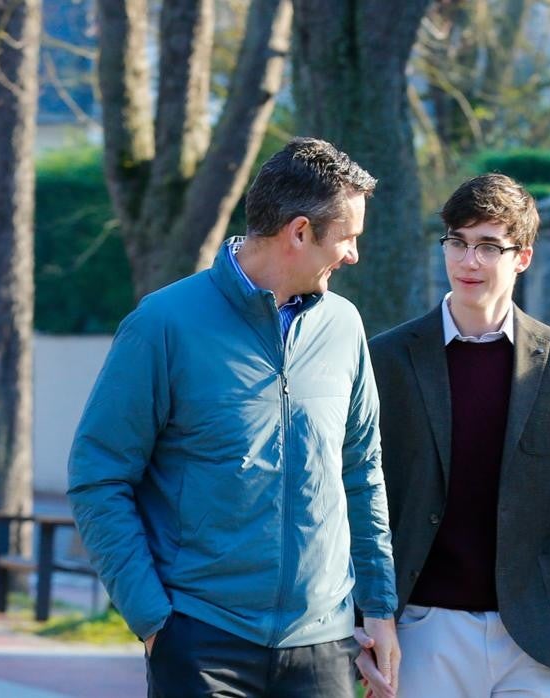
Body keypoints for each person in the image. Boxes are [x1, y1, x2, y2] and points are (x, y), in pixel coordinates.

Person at [67, 138, 400, 696]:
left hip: (324, 647)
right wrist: (154, 621)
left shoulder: (345, 328)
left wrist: (379, 607)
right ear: (299, 232)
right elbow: (98, 476)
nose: (353, 255)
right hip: (202, 643)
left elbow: (362, 472)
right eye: (347, 238)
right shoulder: (163, 325)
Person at [367, 173, 550, 698]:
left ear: (522, 258)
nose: (469, 262)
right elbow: (360, 497)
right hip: (422, 631)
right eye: (458, 243)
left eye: (488, 246)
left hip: (539, 640)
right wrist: (365, 617)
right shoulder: (388, 359)